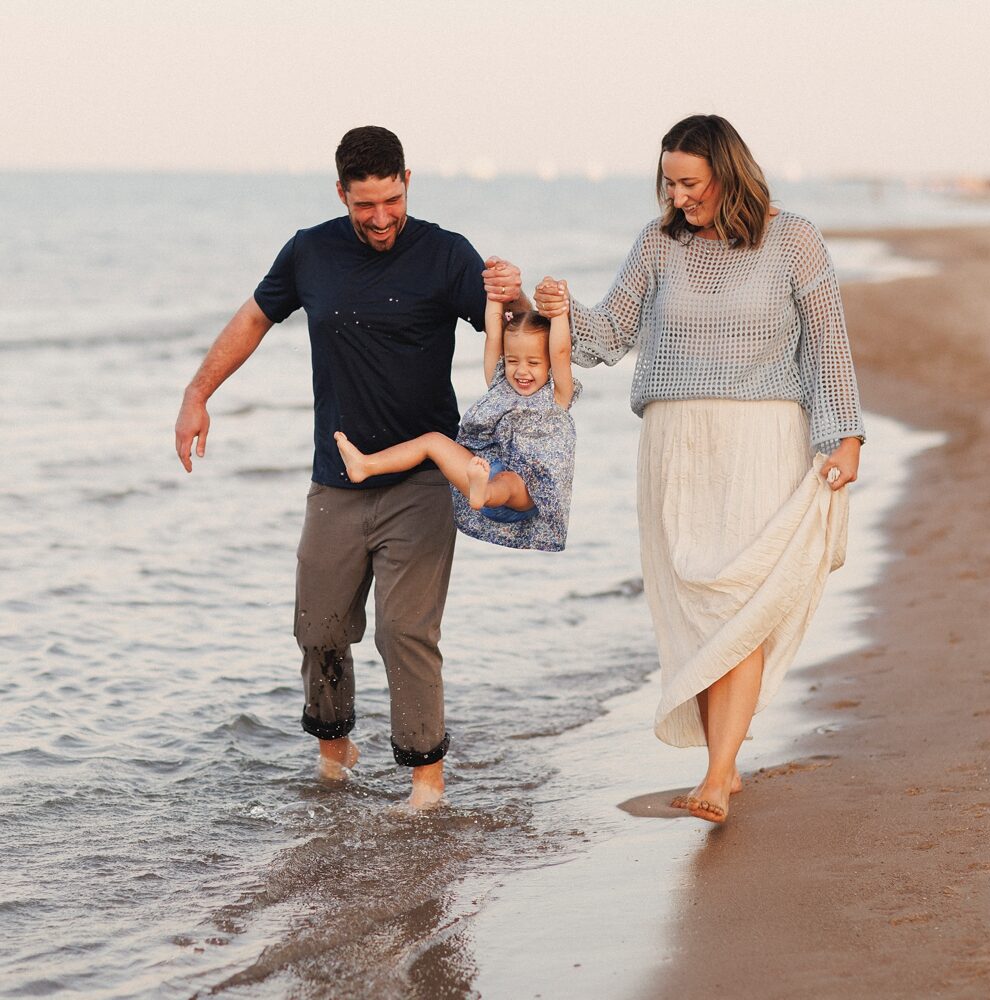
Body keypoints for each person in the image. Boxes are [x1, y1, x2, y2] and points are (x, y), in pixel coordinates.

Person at [173, 125, 528, 809]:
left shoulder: (446, 254)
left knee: (404, 631)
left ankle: (426, 786)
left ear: (408, 183)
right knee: (320, 628)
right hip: (336, 479)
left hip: (424, 476)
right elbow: (253, 320)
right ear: (341, 193)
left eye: (392, 200)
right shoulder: (310, 252)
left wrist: (513, 297)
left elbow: (515, 339)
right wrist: (197, 393)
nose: (381, 217)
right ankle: (334, 759)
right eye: (365, 205)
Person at [534, 114, 865, 824]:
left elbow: (828, 345)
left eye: (690, 183)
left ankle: (717, 775)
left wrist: (846, 437)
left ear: (728, 174)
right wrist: (561, 311)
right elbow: (610, 335)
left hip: (762, 439)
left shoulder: (794, 240)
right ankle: (724, 757)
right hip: (675, 444)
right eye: (669, 183)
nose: (677, 196)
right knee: (696, 606)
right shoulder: (658, 244)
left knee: (740, 597)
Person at [334, 296, 580, 552]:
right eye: (512, 361)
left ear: (549, 364)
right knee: (433, 441)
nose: (521, 371)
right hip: (482, 473)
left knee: (508, 480)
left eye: (533, 363)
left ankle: (483, 492)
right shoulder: (499, 383)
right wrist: (494, 297)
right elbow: (492, 336)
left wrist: (559, 312)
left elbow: (561, 351)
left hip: (525, 492)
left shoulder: (557, 396)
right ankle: (365, 465)